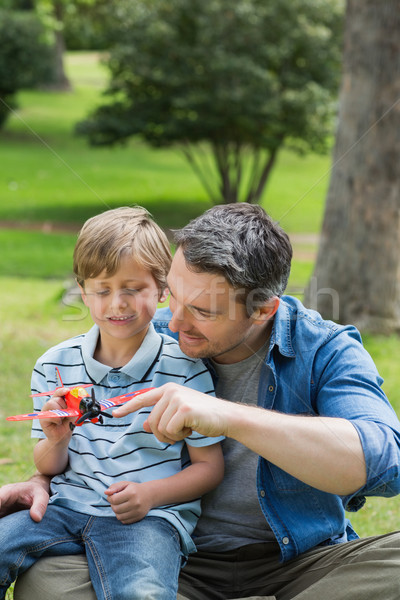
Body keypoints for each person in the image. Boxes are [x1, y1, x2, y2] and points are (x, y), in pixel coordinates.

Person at [3, 203, 400, 599]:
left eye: (202, 310)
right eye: (172, 295)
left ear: (262, 309)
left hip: (302, 565)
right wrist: (43, 478)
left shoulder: (324, 349)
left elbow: (385, 461)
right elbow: (86, 442)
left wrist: (228, 417)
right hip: (176, 563)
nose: (173, 322)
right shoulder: (141, 333)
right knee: (46, 583)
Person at [0, 206, 224, 600]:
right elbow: (48, 467)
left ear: (162, 289)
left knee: (140, 593)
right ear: (82, 292)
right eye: (102, 290)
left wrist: (151, 496)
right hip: (65, 507)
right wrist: (56, 438)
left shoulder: (186, 369)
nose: (116, 303)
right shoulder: (55, 364)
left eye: (133, 289)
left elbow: (209, 469)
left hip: (148, 520)